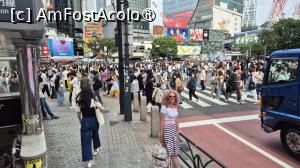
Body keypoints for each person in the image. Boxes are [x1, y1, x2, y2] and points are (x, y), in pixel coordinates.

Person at [76, 77, 103, 168]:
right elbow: (98, 104)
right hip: (94, 119)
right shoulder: (92, 94)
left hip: (85, 120)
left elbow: (78, 113)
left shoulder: (79, 96)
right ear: (88, 84)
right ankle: (96, 147)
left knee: (86, 141)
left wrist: (81, 121)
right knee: (95, 133)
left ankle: (89, 161)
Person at [159, 90, 180, 168]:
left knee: (175, 152)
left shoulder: (175, 107)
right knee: (172, 153)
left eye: (174, 96)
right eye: (170, 96)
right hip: (167, 130)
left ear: (176, 98)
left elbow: (176, 119)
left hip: (174, 131)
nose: (172, 98)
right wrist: (161, 135)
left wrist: (178, 129)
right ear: (167, 98)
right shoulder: (164, 108)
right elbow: (161, 122)